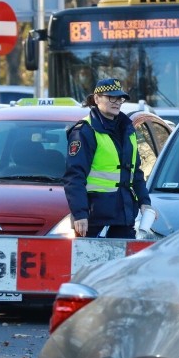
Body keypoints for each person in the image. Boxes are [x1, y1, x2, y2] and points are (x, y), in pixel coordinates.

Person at [64, 78, 152, 238]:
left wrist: (144, 202)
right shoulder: (85, 131)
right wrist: (80, 214)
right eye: (111, 97)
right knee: (88, 263)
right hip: (94, 219)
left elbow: (136, 173)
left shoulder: (128, 129)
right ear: (96, 99)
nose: (117, 102)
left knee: (125, 263)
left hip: (124, 216)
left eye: (120, 98)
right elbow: (74, 176)